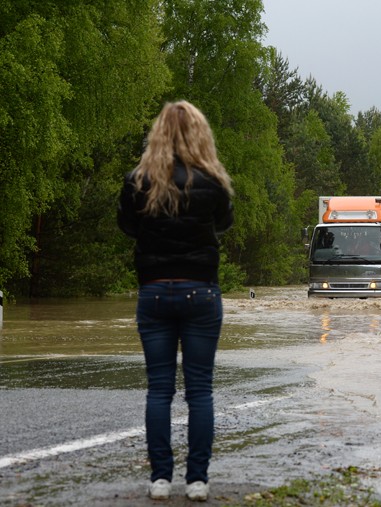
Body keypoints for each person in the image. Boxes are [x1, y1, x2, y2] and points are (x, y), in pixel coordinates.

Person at [117, 100, 234, 501]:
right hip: (201, 291)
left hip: (154, 292)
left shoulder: (138, 180)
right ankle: (197, 480)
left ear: (158, 134)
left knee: (159, 390)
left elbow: (127, 227)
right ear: (200, 134)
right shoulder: (213, 181)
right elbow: (224, 223)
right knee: (200, 390)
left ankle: (160, 479)